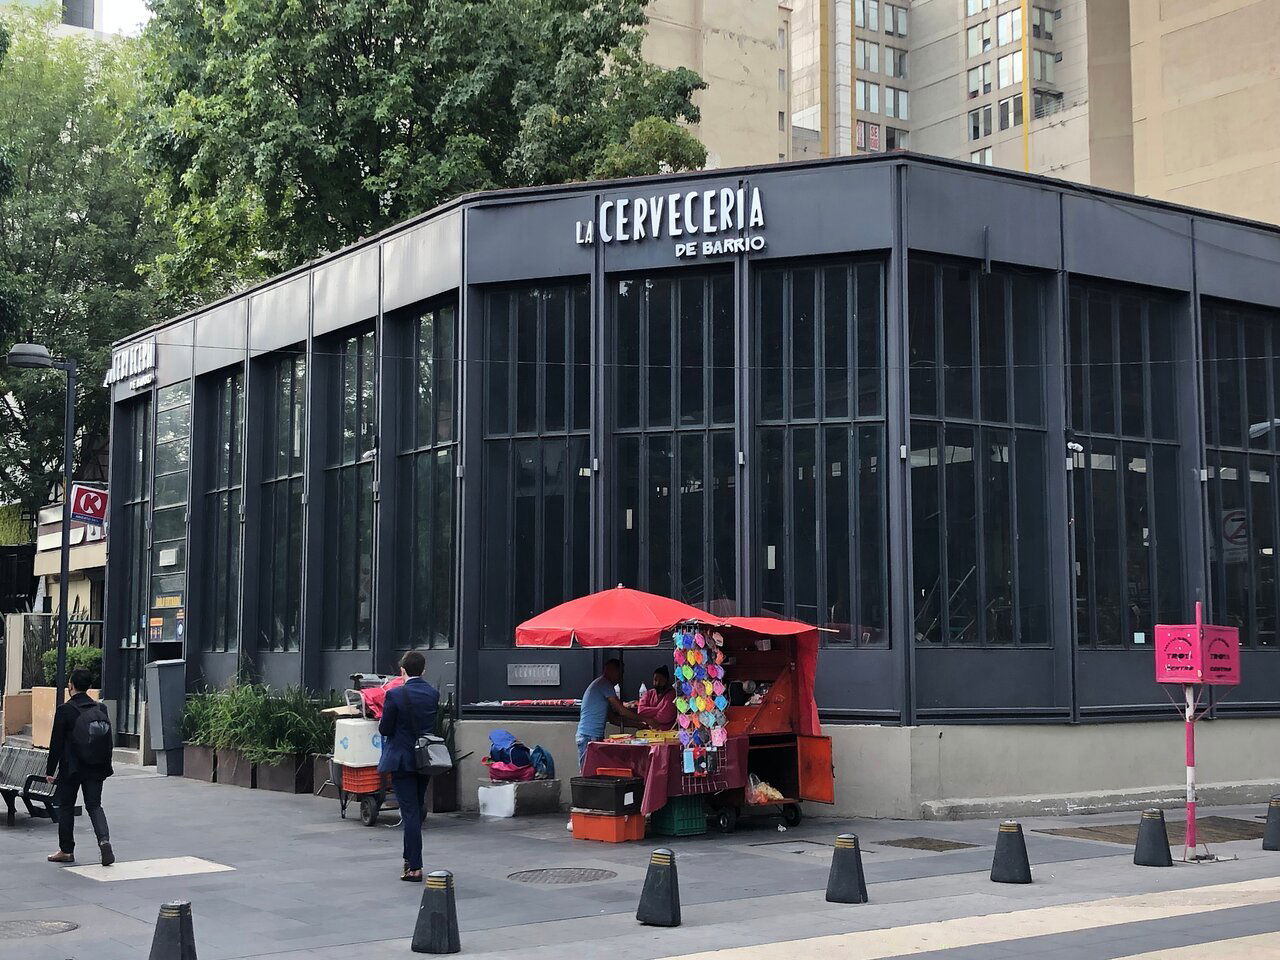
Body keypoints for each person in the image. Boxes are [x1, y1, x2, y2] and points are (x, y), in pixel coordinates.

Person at [378, 650, 441, 882]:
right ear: (423, 670)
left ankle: (414, 866)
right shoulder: (432, 693)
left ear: (402, 670)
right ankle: (410, 860)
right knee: (416, 806)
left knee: (410, 813)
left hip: (402, 760)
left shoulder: (395, 695)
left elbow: (385, 729)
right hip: (424, 759)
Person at [45, 668, 114, 866]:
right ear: (90, 687)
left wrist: (50, 771)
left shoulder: (65, 710)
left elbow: (56, 743)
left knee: (66, 806)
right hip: (96, 767)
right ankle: (104, 840)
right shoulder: (101, 709)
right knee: (94, 805)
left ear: (71, 686)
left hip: (72, 768)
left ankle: (66, 850)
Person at [576, 658, 653, 770]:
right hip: (588, 736)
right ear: (611, 670)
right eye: (620, 673)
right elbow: (621, 710)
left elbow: (613, 719)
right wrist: (646, 719)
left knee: (595, 771)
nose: (621, 677)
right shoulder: (604, 684)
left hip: (593, 735)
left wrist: (638, 725)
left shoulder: (603, 687)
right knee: (588, 772)